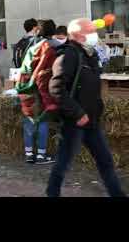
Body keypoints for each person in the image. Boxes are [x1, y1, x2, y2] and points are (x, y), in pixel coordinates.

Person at [46, 18, 126, 197]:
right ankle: (52, 193)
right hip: (75, 122)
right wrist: (77, 113)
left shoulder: (90, 55)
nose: (94, 34)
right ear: (77, 35)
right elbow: (56, 88)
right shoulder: (68, 55)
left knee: (105, 161)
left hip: (92, 121)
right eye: (89, 31)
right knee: (63, 164)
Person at [17, 19, 58, 165]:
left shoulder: (31, 46)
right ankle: (41, 154)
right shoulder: (57, 47)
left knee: (29, 119)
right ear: (54, 31)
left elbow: (24, 67)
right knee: (43, 120)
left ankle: (29, 153)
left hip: (29, 86)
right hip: (46, 88)